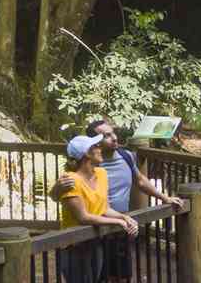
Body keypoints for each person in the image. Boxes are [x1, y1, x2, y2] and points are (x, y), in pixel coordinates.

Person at [54, 119, 183, 283]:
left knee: (120, 274)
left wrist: (164, 198)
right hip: (91, 232)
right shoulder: (76, 176)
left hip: (115, 225)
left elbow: (140, 181)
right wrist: (55, 190)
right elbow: (73, 205)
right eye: (106, 136)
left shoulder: (120, 160)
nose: (114, 138)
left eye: (112, 133)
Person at [57, 134, 139, 283]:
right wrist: (118, 223)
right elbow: (83, 217)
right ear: (86, 154)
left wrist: (124, 217)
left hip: (95, 242)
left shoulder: (101, 174)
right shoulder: (71, 180)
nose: (99, 148)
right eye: (95, 146)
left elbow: (104, 208)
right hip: (74, 246)